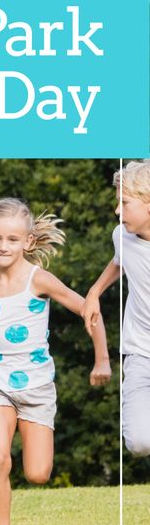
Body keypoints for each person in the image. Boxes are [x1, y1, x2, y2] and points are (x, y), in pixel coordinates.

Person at [0, 198, 111, 525]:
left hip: (38, 388)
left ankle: (26, 483)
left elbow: (90, 311)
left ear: (27, 241)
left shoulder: (40, 281)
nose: (3, 246)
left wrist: (102, 359)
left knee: (38, 474)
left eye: (11, 239)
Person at [83, 161, 150, 457]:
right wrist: (94, 291)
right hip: (141, 351)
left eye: (124, 203)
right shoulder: (120, 236)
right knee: (138, 443)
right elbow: (119, 262)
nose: (117, 211)